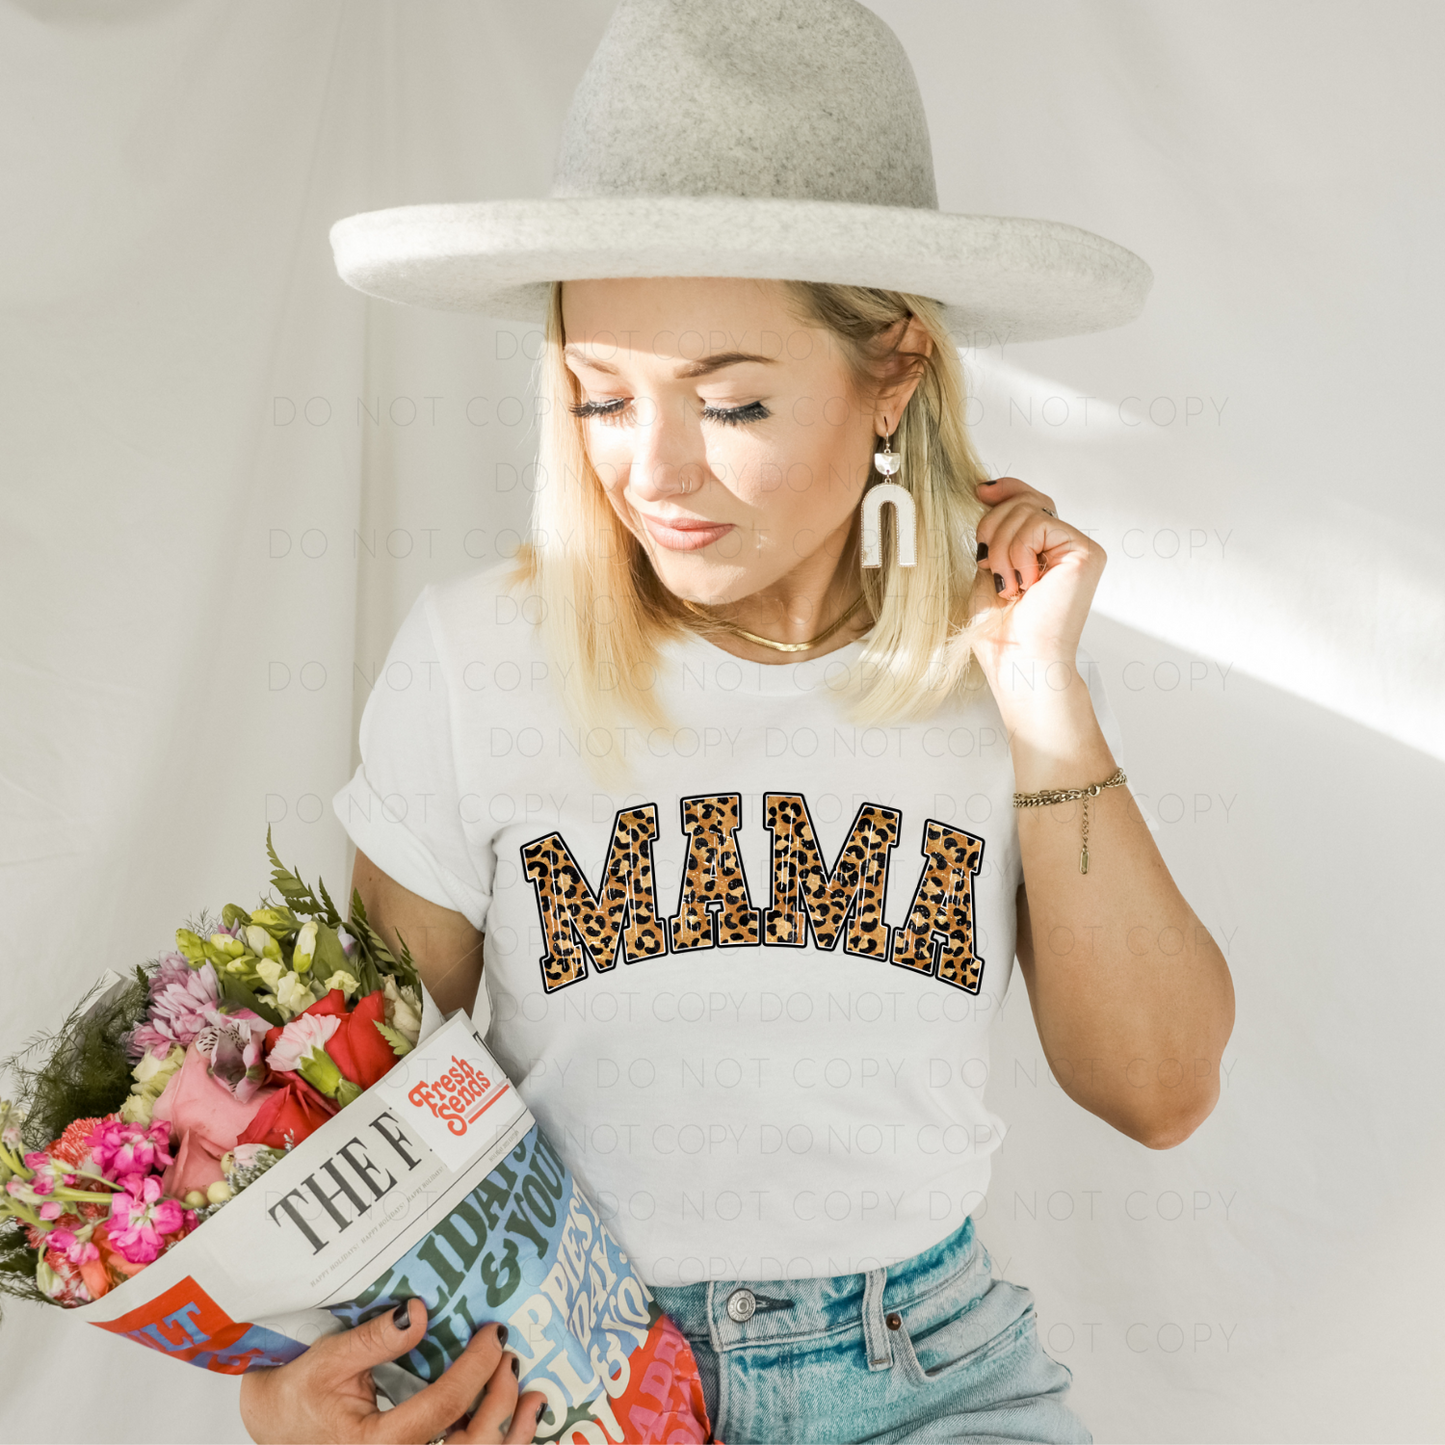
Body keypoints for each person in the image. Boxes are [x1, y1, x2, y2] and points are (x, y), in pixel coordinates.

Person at [239, 4, 1235, 1442]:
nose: (656, 474)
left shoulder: (992, 665)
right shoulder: (477, 657)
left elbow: (1159, 1092)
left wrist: (1044, 707)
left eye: (734, 401)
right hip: (571, 1380)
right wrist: (292, 1397)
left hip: (931, 1380)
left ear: (893, 368)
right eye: (599, 400)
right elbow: (367, 1118)